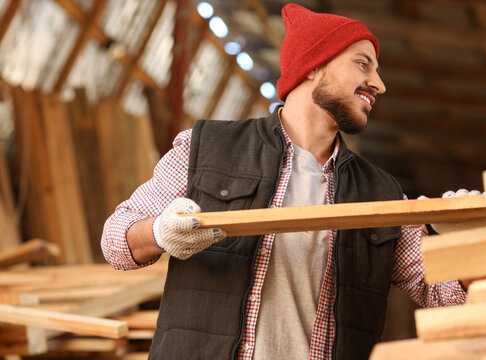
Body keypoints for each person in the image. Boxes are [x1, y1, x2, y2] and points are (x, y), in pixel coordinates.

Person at [102, 4, 467, 359]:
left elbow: (447, 294)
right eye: (362, 64)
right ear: (313, 66)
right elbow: (115, 240)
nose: (379, 85)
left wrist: (467, 238)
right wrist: (160, 233)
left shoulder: (382, 194)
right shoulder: (207, 148)